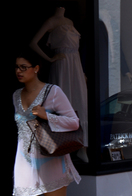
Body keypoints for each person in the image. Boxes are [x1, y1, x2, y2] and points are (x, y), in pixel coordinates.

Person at [2, 52, 93, 196]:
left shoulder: (53, 92)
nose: (19, 71)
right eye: (16, 67)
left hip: (50, 159)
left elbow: (73, 122)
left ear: (36, 68)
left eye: (24, 66)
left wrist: (46, 115)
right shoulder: (16, 95)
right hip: (24, 159)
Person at [30, 6, 89, 162]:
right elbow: (33, 43)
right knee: (63, 103)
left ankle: (82, 146)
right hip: (61, 65)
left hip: (75, 66)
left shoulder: (69, 21)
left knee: (80, 102)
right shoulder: (51, 22)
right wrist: (49, 59)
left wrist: (81, 71)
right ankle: (62, 146)